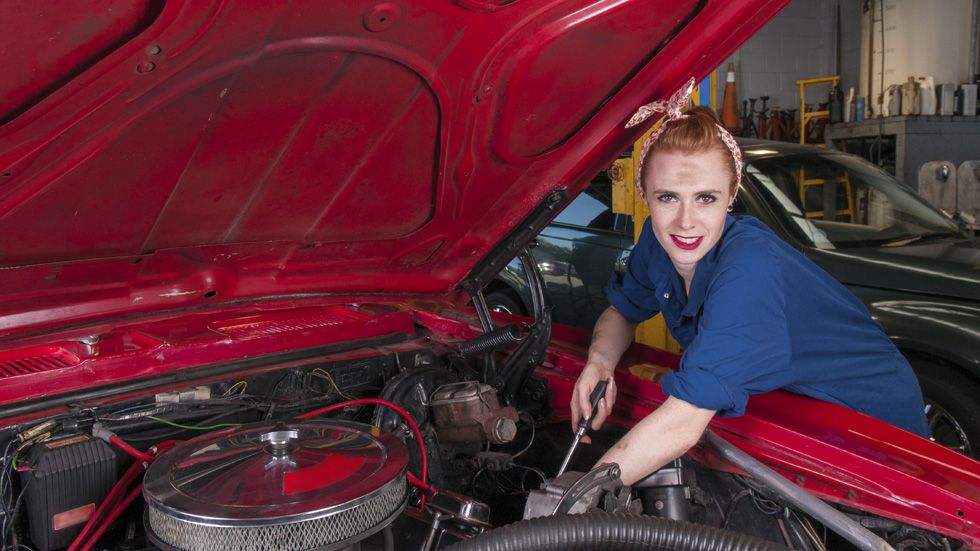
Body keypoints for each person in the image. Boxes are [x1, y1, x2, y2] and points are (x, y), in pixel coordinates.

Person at [570, 78, 928, 486]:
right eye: (668, 197)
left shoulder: (748, 268)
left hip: (865, 418)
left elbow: (683, 421)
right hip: (784, 405)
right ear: (645, 195)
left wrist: (577, 495)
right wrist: (599, 364)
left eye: (705, 198)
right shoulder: (656, 239)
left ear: (731, 194)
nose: (686, 221)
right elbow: (623, 312)